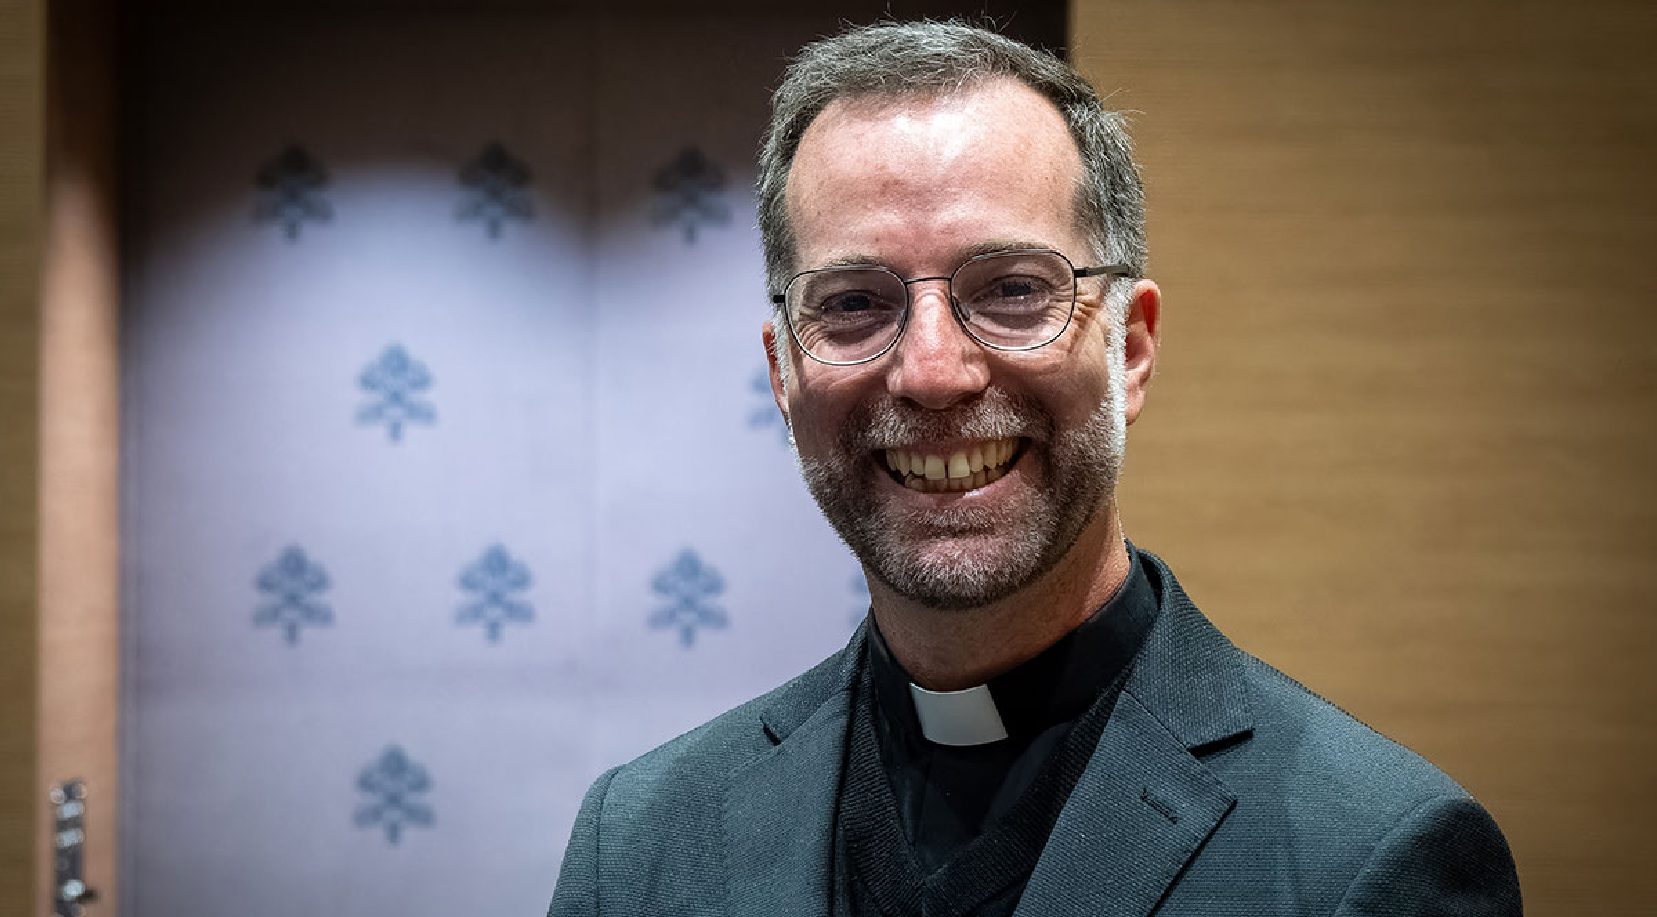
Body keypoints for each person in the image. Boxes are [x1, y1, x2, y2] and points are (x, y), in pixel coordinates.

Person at [548, 20, 1521, 916]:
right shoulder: (641, 841)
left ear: (1129, 349)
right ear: (783, 372)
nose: (933, 371)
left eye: (1012, 288)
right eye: (851, 303)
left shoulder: (1369, 855)